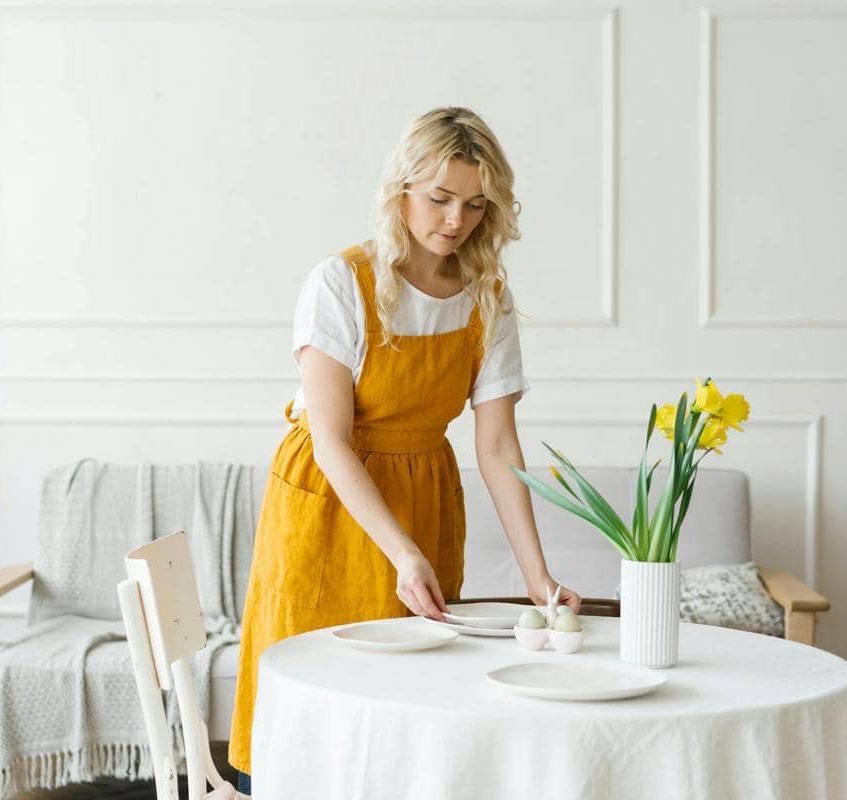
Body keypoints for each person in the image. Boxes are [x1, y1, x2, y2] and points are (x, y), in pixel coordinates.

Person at [227, 107, 584, 794]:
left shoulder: (488, 298)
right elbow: (330, 439)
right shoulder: (342, 283)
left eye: (476, 206)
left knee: (413, 703)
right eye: (440, 198)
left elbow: (499, 444)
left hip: (424, 493)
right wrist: (401, 551)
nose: (456, 221)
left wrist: (539, 576)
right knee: (316, 695)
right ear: (401, 189)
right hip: (330, 503)